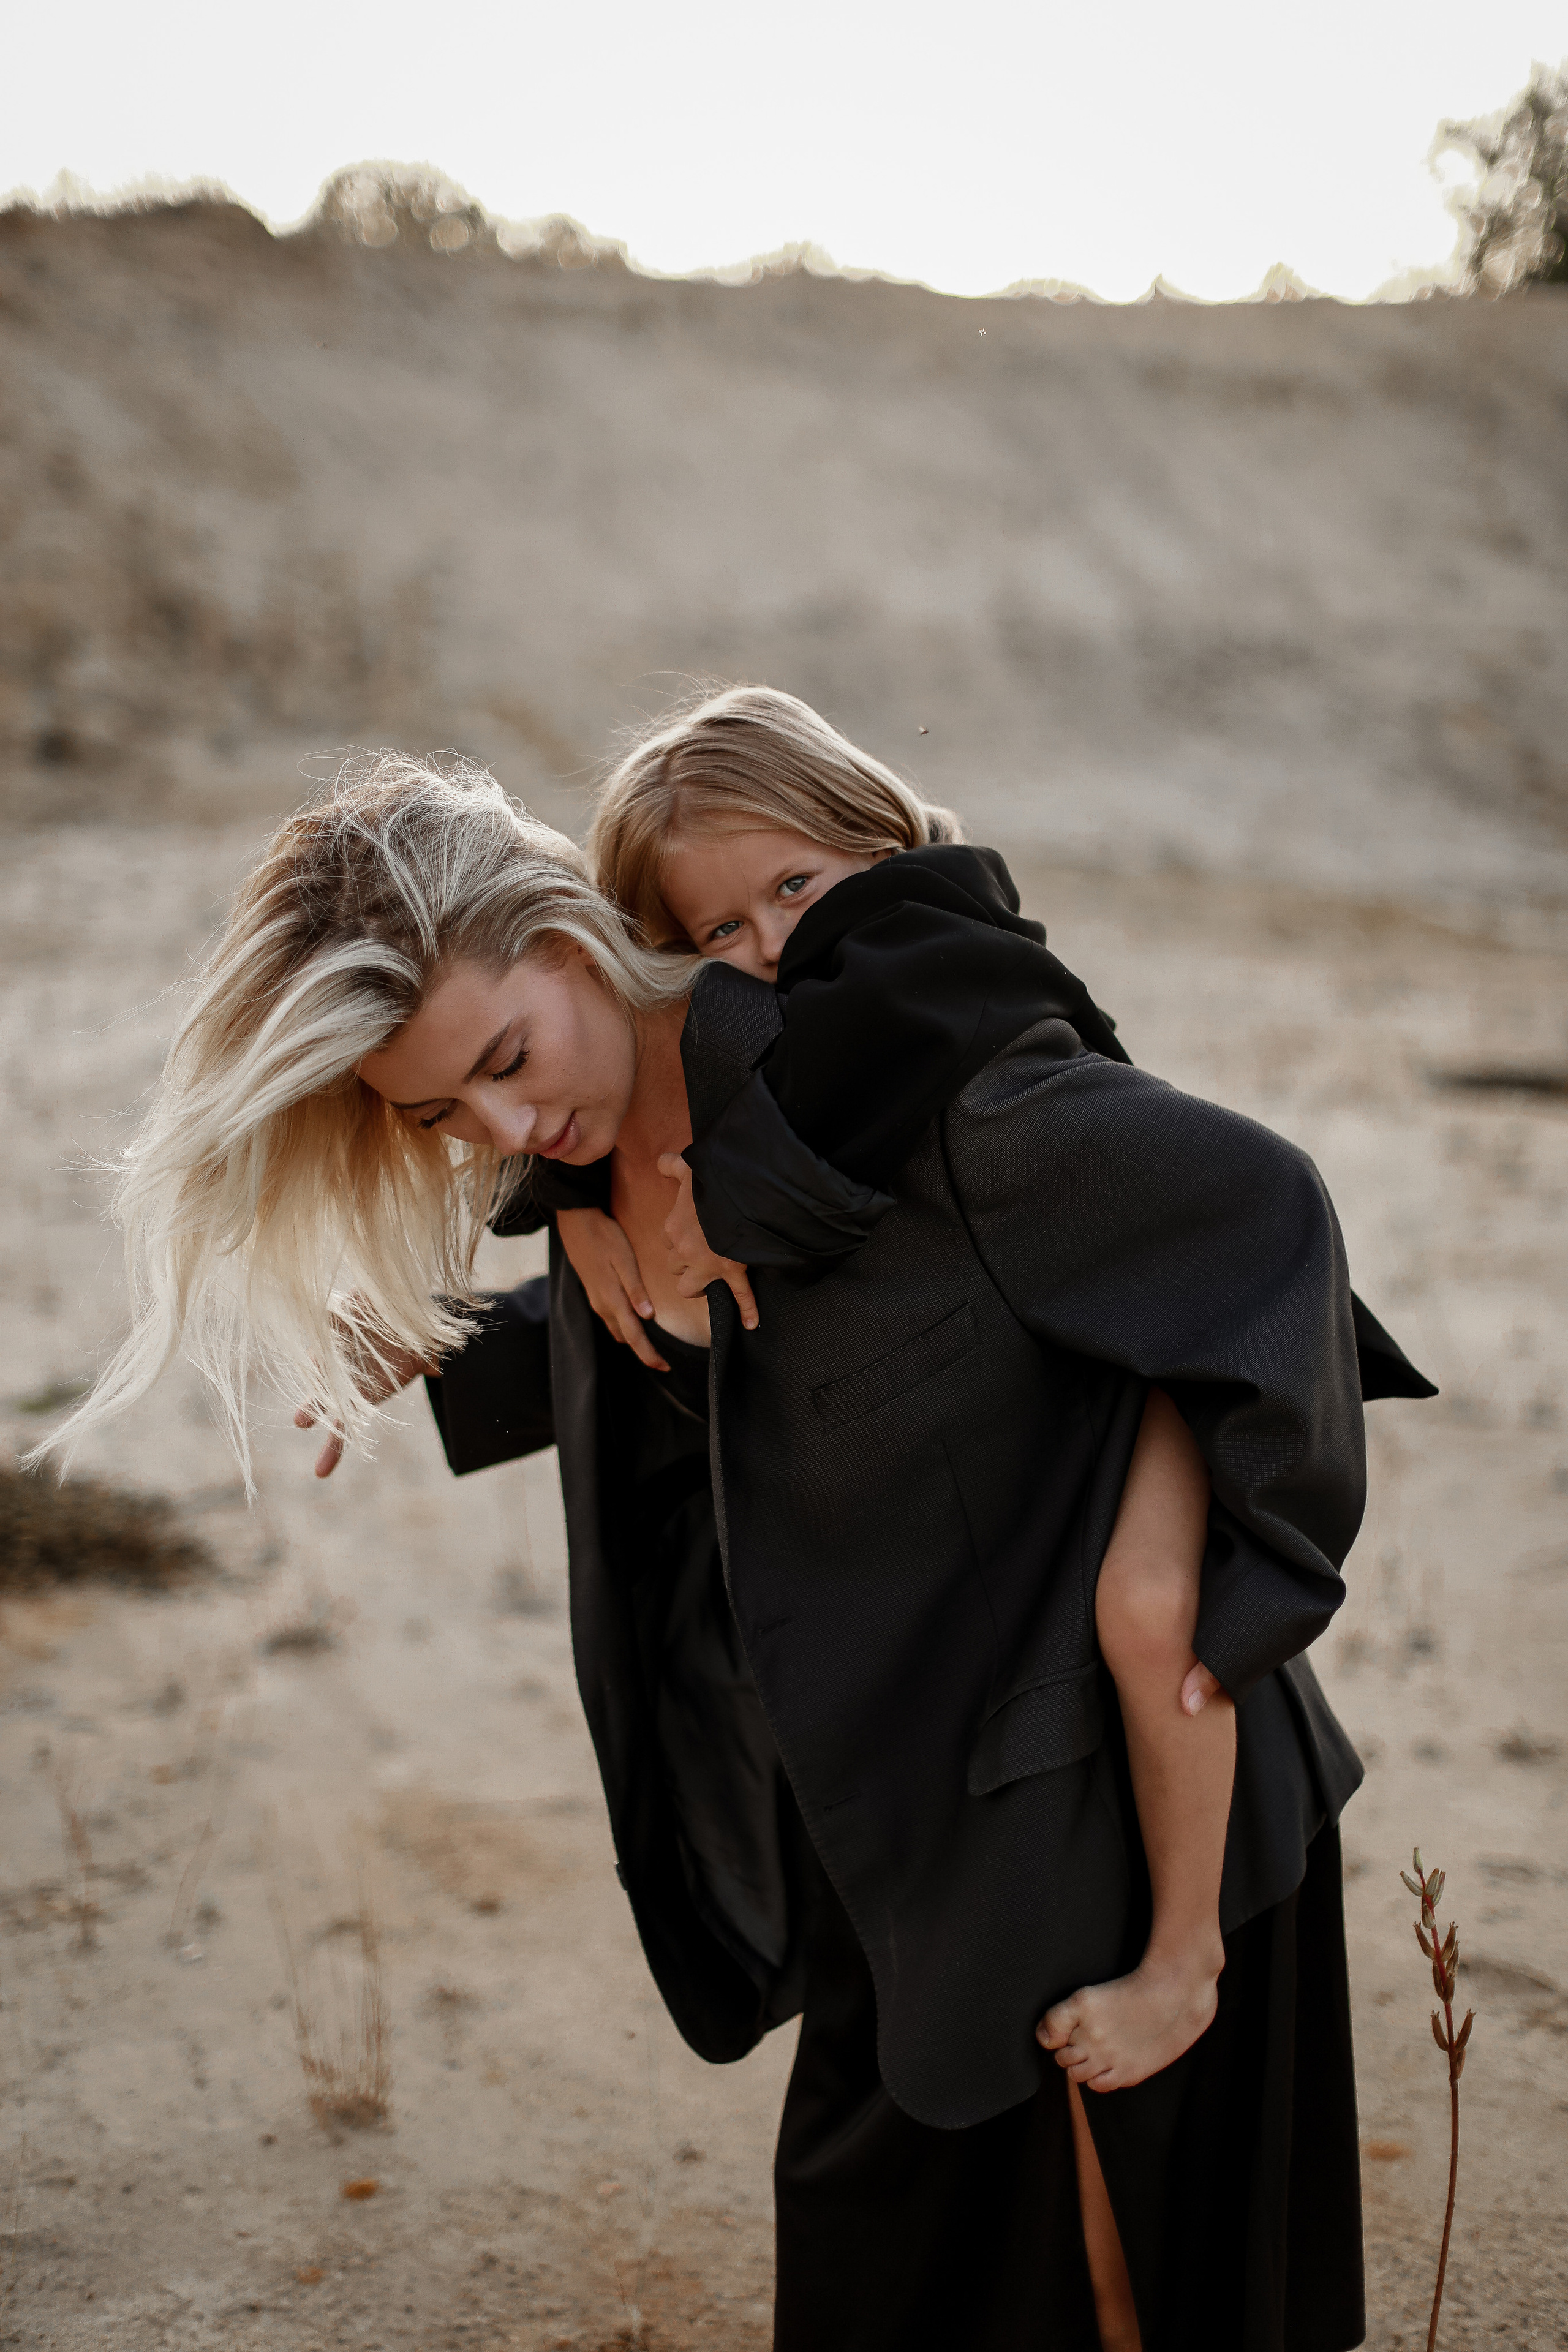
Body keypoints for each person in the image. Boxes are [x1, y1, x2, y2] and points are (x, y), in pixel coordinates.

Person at [41, 745, 1420, 2351]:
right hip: (886, 1857)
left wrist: (1242, 1593)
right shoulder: (575, 1178)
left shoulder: (907, 1086)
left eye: (505, 1054)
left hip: (1114, 1816)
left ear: (567, 941)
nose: (507, 1115)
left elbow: (1264, 1210)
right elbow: (752, 1364)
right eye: (440, 1111)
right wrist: (435, 1340)